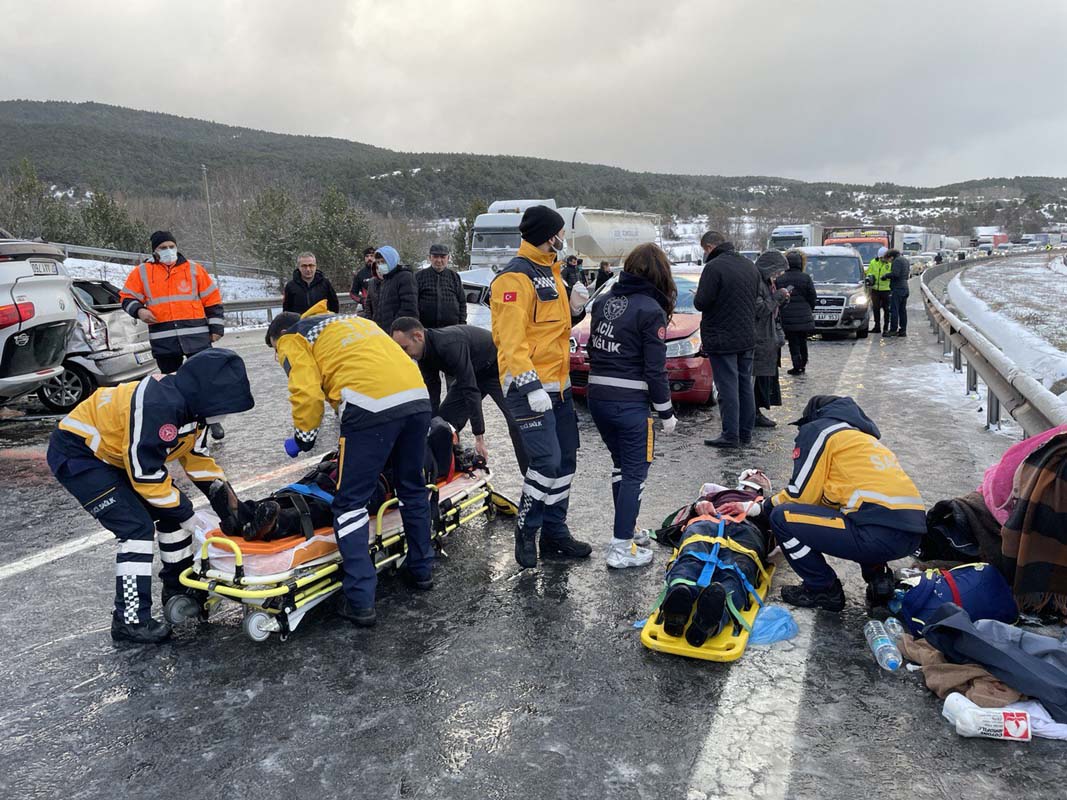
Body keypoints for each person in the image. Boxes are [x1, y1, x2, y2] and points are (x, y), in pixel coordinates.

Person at [46, 349, 255, 643]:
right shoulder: (158, 405)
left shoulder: (195, 410)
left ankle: (179, 586)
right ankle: (129, 620)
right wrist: (190, 516)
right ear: (207, 393)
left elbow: (198, 461)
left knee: (171, 513)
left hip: (118, 457)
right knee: (136, 529)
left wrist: (229, 506)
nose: (226, 414)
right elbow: (144, 474)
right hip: (80, 455)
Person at [266, 299, 432, 627]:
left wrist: (303, 438)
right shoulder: (354, 322)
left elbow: (306, 391)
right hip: (417, 397)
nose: (278, 355)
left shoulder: (292, 337)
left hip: (369, 405)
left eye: (274, 351)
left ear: (280, 334)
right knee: (412, 487)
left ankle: (360, 600)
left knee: (350, 503)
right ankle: (422, 571)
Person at [721, 395, 925, 614]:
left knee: (782, 517)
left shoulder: (821, 431)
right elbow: (830, 500)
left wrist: (760, 508)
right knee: (856, 514)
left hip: (875, 534)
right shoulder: (862, 440)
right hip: (912, 534)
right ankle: (879, 580)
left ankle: (822, 588)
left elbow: (800, 495)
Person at [490, 204, 591, 568]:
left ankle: (554, 532)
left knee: (565, 461)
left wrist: (577, 309)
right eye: (560, 232)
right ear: (549, 235)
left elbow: (551, 330)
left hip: (559, 389)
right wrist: (531, 386)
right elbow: (510, 340)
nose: (563, 238)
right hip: (527, 389)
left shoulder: (551, 271)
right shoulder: (513, 279)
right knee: (546, 462)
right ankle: (526, 529)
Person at [586, 243, 678, 569]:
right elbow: (655, 369)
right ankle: (621, 546)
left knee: (620, 466)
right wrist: (666, 411)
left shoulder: (603, 300)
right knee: (636, 472)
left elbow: (594, 350)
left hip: (597, 396)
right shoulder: (650, 310)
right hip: (630, 403)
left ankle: (628, 530)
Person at [120, 230, 226, 438]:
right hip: (164, 339)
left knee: (204, 380)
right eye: (162, 247)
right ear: (154, 251)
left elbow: (212, 300)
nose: (168, 250)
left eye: (171, 246)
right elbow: (126, 297)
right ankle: (181, 425)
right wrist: (139, 310)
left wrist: (216, 329)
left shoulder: (194, 270)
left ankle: (212, 421)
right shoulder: (142, 273)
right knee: (171, 386)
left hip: (197, 338)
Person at [390, 316, 529, 474]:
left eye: (405, 348)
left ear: (418, 336)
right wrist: (428, 425)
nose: (405, 355)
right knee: (442, 422)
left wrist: (479, 436)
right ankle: (439, 467)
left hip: (496, 370)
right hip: (473, 372)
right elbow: (432, 393)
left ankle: (531, 475)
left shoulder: (448, 344)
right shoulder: (422, 353)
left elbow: (470, 389)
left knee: (517, 422)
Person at [656, 471, 773, 647]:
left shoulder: (767, 504)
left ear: (764, 491)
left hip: (747, 529)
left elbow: (780, 525)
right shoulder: (717, 495)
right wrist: (700, 505)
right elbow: (687, 515)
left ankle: (711, 615)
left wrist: (757, 509)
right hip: (707, 521)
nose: (756, 474)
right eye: (752, 473)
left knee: (736, 568)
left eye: (761, 475)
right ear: (740, 481)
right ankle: (681, 596)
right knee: (692, 555)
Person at [693, 230, 761, 449]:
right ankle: (745, 432)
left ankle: (730, 434)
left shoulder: (714, 268)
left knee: (727, 386)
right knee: (744, 384)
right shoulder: (750, 265)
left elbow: (701, 303)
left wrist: (697, 293)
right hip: (747, 335)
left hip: (722, 337)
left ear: (710, 247)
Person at [753, 251, 790, 428]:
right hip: (759, 338)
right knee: (757, 379)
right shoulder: (757, 283)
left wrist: (781, 300)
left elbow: (771, 310)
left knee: (764, 378)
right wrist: (777, 297)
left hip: (768, 337)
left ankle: (756, 411)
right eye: (777, 271)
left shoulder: (767, 282)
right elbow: (760, 310)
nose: (778, 275)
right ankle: (754, 413)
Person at [776, 249, 817, 375]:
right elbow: (812, 296)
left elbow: (778, 297)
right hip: (804, 315)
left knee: (793, 341)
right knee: (802, 340)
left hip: (787, 315)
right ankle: (803, 363)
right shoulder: (806, 278)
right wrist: (809, 309)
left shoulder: (781, 279)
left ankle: (797, 364)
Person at [416, 244, 467, 328]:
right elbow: (413, 303)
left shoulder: (454, 276)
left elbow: (462, 302)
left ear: (448, 258)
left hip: (451, 329)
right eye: (435, 256)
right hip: (426, 330)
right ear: (429, 257)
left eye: (443, 257)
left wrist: (461, 325)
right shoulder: (419, 276)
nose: (439, 260)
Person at [372, 245, 418, 332]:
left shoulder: (405, 277)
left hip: (399, 332)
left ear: (391, 261)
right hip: (384, 331)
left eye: (383, 262)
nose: (380, 265)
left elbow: (409, 309)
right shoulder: (386, 279)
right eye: (378, 262)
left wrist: (395, 329)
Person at [865, 247, 892, 334]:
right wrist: (870, 277)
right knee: (876, 309)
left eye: (883, 257)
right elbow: (869, 272)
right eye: (881, 258)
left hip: (887, 290)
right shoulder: (873, 262)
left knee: (886, 310)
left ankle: (886, 328)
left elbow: (893, 275)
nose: (882, 259)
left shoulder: (890, 263)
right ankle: (877, 327)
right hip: (875, 290)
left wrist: (886, 277)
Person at [887, 249, 911, 337]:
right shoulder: (905, 260)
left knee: (894, 310)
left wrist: (886, 276)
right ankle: (903, 330)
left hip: (897, 288)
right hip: (905, 287)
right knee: (902, 311)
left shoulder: (897, 261)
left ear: (892, 257)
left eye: (889, 259)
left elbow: (895, 274)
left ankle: (893, 330)